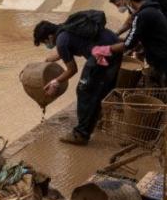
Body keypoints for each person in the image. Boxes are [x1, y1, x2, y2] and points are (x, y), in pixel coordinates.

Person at [33, 11, 121, 145]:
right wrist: (49, 60)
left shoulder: (61, 41)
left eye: (45, 42)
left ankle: (81, 134)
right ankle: (97, 118)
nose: (47, 45)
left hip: (102, 55)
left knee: (84, 90)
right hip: (114, 45)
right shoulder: (65, 28)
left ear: (50, 37)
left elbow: (72, 70)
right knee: (101, 88)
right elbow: (68, 48)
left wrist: (56, 81)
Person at [95, 0, 167, 88]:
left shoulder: (142, 15)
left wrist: (105, 49)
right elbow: (134, 29)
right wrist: (117, 35)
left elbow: (128, 44)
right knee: (166, 91)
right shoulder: (151, 7)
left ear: (128, 0)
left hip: (164, 62)